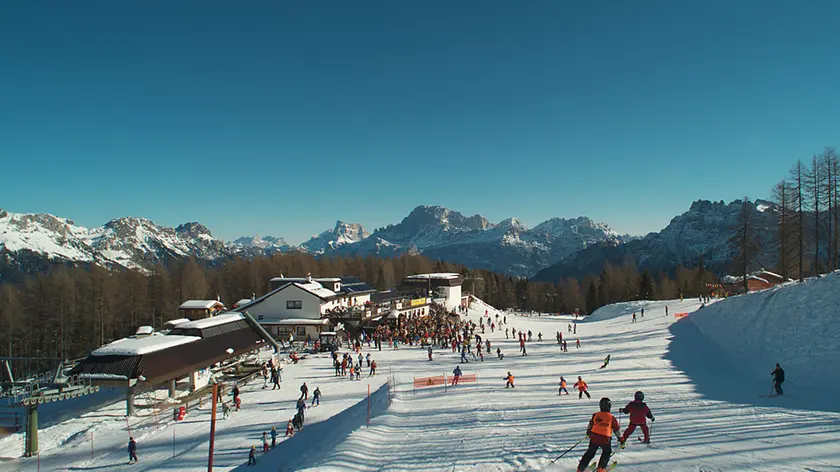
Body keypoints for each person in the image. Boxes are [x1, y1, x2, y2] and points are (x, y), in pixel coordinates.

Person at [576, 398, 622, 472]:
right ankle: (601, 468)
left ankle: (580, 469)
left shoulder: (595, 415)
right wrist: (621, 440)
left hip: (594, 437)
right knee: (606, 452)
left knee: (590, 452)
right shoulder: (611, 417)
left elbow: (591, 424)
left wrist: (588, 432)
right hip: (605, 439)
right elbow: (617, 430)